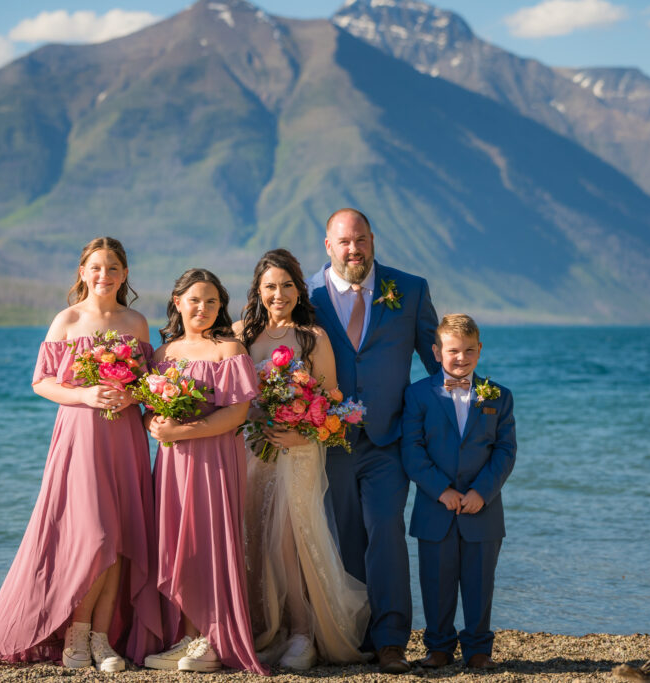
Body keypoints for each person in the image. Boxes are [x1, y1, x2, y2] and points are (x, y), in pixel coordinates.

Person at [0, 237, 162, 670]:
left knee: (123, 535)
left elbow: (146, 385)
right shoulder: (68, 319)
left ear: (125, 274)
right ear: (82, 272)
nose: (104, 276)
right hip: (80, 436)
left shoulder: (137, 323)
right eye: (95, 267)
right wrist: (87, 394)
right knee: (95, 536)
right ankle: (74, 635)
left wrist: (132, 396)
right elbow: (41, 382)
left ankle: (101, 639)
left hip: (124, 436)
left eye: (113, 268)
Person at [307, 208, 439, 674]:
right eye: (343, 242)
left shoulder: (411, 289)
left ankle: (390, 640)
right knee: (342, 535)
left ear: (373, 240)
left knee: (385, 530)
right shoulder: (307, 295)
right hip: (329, 441)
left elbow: (437, 366)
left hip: (388, 439)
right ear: (328, 246)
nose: (353, 249)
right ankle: (349, 635)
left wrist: (454, 426)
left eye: (360, 240)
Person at [233, 249, 370, 670]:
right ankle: (257, 628)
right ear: (258, 289)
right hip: (251, 449)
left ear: (299, 289)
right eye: (271, 286)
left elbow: (330, 400)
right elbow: (228, 392)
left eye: (288, 285)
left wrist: (298, 429)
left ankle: (302, 632)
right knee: (252, 535)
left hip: (299, 448)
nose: (279, 294)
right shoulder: (239, 334)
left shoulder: (313, 337)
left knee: (290, 540)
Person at [142, 269, 267, 675]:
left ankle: (214, 641)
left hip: (215, 459)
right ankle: (187, 635)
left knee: (212, 542)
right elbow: (148, 413)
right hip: (174, 464)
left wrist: (182, 429)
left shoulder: (228, 350)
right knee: (179, 544)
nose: (203, 308)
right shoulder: (163, 355)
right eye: (195, 299)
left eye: (212, 301)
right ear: (177, 302)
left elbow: (236, 414)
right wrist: (155, 426)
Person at [401, 314, 517, 670]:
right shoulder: (418, 394)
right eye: (453, 350)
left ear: (479, 350)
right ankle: (438, 647)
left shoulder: (499, 395)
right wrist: (442, 490)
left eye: (468, 350)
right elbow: (412, 450)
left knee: (480, 583)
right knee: (436, 582)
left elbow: (505, 451)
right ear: (437, 352)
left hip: (483, 508)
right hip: (436, 507)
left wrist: (482, 491)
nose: (461, 357)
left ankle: (479, 648)